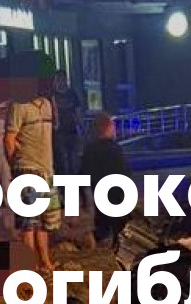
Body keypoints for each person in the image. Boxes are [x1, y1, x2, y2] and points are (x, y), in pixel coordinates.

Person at [5, 67, 60, 272]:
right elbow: (9, 138)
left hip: (47, 170)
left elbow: (55, 128)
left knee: (45, 222)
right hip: (27, 169)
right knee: (28, 222)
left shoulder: (47, 105)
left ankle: (44, 261)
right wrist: (15, 165)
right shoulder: (19, 105)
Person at [79, 112, 132, 243]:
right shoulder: (115, 149)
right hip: (115, 198)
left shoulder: (89, 149)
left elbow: (83, 174)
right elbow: (125, 174)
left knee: (102, 229)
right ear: (109, 128)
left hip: (97, 198)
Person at [51, 70, 83, 176]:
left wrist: (80, 127)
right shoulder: (52, 95)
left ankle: (73, 178)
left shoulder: (72, 94)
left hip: (71, 130)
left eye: (62, 79)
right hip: (59, 132)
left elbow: (77, 112)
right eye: (58, 79)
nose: (60, 82)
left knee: (73, 158)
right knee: (62, 158)